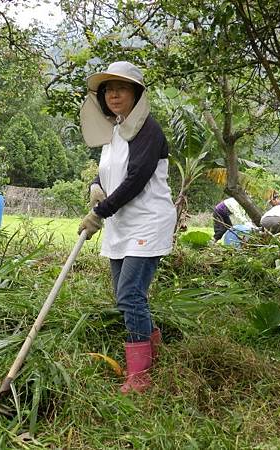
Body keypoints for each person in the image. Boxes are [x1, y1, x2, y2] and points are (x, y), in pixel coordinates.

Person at [77, 61, 176, 394]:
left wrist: (99, 213)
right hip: (122, 222)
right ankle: (155, 350)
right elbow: (111, 170)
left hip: (148, 221)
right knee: (126, 298)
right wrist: (95, 184)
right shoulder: (115, 130)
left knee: (130, 294)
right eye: (107, 89)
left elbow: (135, 179)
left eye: (121, 88)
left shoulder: (148, 130)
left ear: (137, 93)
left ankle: (140, 376)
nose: (113, 94)